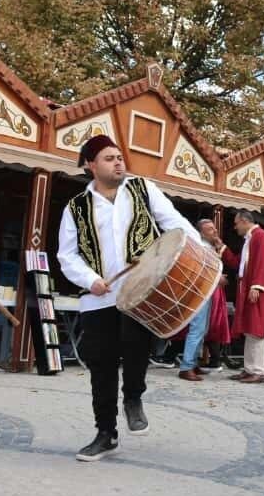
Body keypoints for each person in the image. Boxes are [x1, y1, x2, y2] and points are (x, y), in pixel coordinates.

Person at [57, 135, 207, 461]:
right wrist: (91, 280)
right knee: (101, 364)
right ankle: (105, 433)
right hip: (98, 297)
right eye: (109, 158)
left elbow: (174, 224)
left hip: (142, 290)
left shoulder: (142, 188)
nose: (118, 163)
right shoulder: (76, 208)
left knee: (136, 343)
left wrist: (200, 251)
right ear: (90, 165)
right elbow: (66, 256)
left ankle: (134, 397)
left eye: (119, 157)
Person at [221, 210, 264, 383]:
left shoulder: (261, 236)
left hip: (255, 288)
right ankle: (250, 368)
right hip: (247, 286)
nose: (235, 228)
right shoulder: (250, 239)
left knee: (256, 328)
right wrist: (221, 247)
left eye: (236, 224)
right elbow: (238, 263)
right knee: (250, 328)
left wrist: (257, 286)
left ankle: (259, 371)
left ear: (244, 221)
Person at [196, 219, 230, 372]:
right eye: (210, 229)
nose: (214, 231)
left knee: (214, 325)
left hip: (214, 290)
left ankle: (215, 360)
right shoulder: (199, 246)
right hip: (204, 289)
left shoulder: (214, 246)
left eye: (214, 228)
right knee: (197, 324)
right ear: (201, 233)